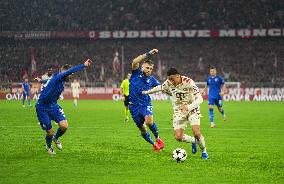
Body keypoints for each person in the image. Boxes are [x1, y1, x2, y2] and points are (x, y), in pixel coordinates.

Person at [143, 67, 209, 160]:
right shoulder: (169, 82)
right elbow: (160, 87)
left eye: (172, 79)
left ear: (178, 76)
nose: (170, 81)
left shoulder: (189, 82)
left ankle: (204, 151)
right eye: (169, 79)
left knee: (196, 133)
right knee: (178, 137)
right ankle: (194, 141)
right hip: (179, 111)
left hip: (192, 109)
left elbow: (200, 99)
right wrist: (147, 92)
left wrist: (188, 107)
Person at [35, 59, 93, 155]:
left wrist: (41, 80)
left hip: (53, 106)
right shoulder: (60, 76)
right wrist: (83, 65)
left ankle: (56, 138)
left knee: (64, 126)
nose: (71, 77)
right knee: (50, 132)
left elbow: (48, 80)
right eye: (70, 75)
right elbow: (70, 71)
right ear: (65, 73)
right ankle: (48, 146)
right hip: (42, 108)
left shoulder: (58, 78)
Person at [129, 48, 164, 152]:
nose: (149, 70)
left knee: (149, 122)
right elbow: (135, 61)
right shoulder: (136, 73)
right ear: (142, 66)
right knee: (143, 129)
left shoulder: (152, 79)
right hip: (133, 107)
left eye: (151, 69)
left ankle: (158, 139)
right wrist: (148, 54)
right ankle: (154, 144)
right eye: (147, 68)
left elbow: (162, 88)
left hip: (145, 104)